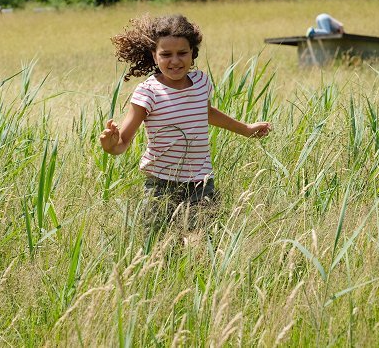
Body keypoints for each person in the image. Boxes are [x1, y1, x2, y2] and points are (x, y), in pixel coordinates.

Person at [100, 14, 272, 235]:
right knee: (157, 244)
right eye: (166, 54)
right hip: (161, 184)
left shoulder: (201, 82)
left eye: (182, 53)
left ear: (193, 53)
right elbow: (121, 143)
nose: (175, 61)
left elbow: (207, 112)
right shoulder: (148, 92)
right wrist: (110, 145)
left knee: (201, 242)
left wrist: (246, 129)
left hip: (201, 182)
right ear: (154, 56)